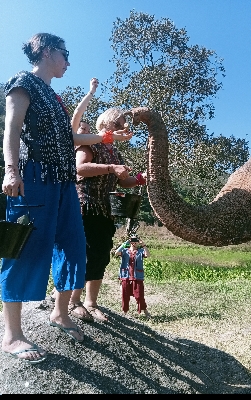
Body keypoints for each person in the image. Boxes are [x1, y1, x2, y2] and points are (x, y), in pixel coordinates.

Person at [0, 33, 132, 364]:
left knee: (73, 246)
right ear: (46, 51)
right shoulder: (23, 82)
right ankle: (12, 335)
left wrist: (107, 135)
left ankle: (60, 313)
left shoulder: (55, 98)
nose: (68, 61)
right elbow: (12, 130)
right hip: (34, 178)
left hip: (63, 185)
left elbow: (72, 136)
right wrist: (11, 170)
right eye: (64, 53)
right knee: (23, 249)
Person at [50, 80, 147, 323]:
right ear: (107, 124)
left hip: (105, 211)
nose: (124, 128)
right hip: (84, 207)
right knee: (82, 253)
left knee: (101, 255)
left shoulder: (116, 152)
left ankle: (92, 302)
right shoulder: (87, 144)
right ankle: (72, 301)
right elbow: (80, 169)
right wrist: (111, 167)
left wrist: (138, 179)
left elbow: (123, 182)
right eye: (120, 124)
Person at [115, 236, 151, 319]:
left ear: (138, 242)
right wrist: (125, 243)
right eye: (132, 241)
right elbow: (116, 252)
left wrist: (143, 245)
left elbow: (148, 255)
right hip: (125, 276)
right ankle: (124, 312)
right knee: (125, 295)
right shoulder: (124, 251)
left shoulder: (140, 251)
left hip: (137, 276)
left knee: (139, 295)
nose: (134, 243)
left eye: (136, 241)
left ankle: (144, 310)